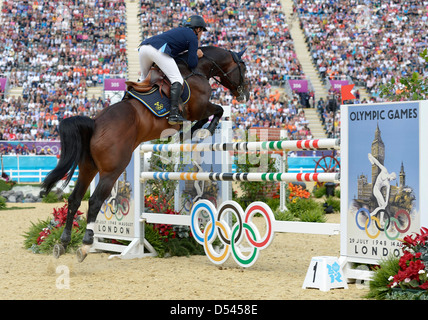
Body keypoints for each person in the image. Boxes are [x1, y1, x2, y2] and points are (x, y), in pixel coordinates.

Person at [138, 15, 207, 125]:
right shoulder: (192, 36)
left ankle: (128, 99)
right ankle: (174, 114)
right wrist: (196, 55)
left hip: (143, 48)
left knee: (143, 80)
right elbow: (192, 64)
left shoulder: (180, 31)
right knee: (177, 79)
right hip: (157, 50)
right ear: (197, 29)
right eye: (202, 30)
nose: (202, 33)